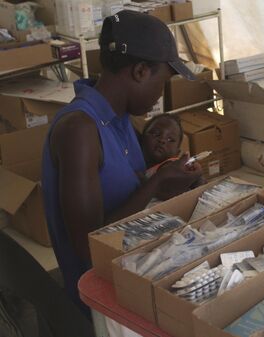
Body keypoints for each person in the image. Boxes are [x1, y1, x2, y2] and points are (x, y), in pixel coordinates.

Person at [41, 10, 203, 311]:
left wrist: (172, 179)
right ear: (141, 71)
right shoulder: (80, 130)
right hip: (101, 295)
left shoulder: (120, 117)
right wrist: (157, 183)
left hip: (134, 259)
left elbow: (130, 187)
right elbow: (91, 248)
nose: (161, 94)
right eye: (163, 82)